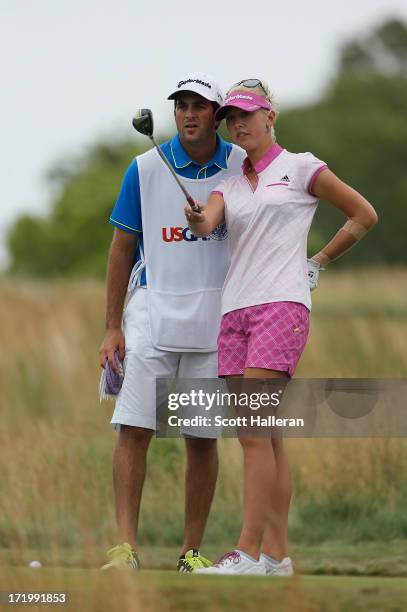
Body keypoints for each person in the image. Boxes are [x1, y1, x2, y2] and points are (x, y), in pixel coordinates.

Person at [184, 79, 379, 576]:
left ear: (271, 116)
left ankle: (246, 552)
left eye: (248, 114)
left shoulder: (300, 167)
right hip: (235, 312)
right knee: (266, 436)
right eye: (232, 118)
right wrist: (197, 217)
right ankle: (275, 555)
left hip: (281, 306)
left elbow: (364, 213)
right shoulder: (227, 184)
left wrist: (319, 261)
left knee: (251, 431)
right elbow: (207, 223)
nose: (239, 124)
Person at [99, 72, 246, 572]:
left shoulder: (241, 165)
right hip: (152, 311)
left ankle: (191, 551)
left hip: (217, 319)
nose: (187, 113)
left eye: (198, 106)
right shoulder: (144, 166)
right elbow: (122, 248)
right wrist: (112, 326)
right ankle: (124, 548)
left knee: (201, 437)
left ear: (216, 115)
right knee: (134, 429)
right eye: (180, 105)